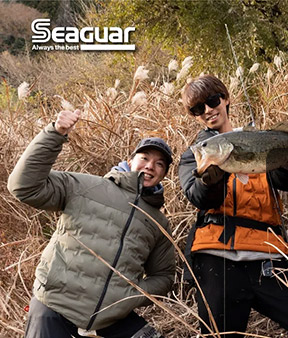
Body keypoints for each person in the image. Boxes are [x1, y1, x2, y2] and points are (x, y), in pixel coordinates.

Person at [178, 74, 288, 337]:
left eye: (213, 100)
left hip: (270, 255)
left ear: (226, 99)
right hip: (217, 257)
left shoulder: (260, 137)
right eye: (197, 109)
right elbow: (198, 197)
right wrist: (212, 182)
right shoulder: (197, 152)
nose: (207, 110)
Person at [8, 109, 176, 338]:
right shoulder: (84, 187)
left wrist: (130, 295)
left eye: (159, 164)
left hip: (111, 316)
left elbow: (164, 276)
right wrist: (55, 133)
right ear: (130, 160)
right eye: (144, 158)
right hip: (55, 307)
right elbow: (23, 187)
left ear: (164, 174)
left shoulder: (158, 222)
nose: (150, 166)